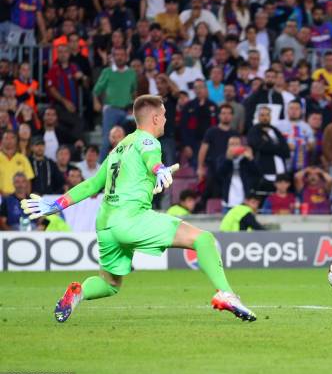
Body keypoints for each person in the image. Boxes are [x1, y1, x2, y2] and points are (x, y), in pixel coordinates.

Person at [20, 95, 256, 323]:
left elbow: (93, 184)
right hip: (130, 219)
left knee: (110, 284)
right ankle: (226, 293)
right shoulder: (148, 141)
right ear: (154, 118)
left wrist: (56, 204)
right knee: (204, 239)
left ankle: (78, 292)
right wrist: (158, 168)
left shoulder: (120, 148)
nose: (165, 119)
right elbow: (150, 155)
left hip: (106, 224)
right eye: (163, 115)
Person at [0, 130, 34, 195]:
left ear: (16, 141)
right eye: (6, 138)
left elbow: (28, 180)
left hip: (19, 198)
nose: (9, 140)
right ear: (2, 141)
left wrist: (26, 197)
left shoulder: (23, 158)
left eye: (12, 138)